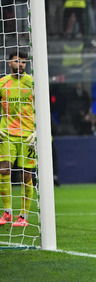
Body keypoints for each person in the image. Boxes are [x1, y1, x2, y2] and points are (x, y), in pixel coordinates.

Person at [0, 49, 36, 227]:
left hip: (28, 136)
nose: (20, 64)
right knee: (3, 170)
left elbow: (42, 108)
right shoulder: (2, 83)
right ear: (9, 63)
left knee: (26, 175)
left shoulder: (32, 83)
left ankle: (23, 216)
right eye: (17, 61)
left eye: (23, 62)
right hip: (7, 134)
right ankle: (7, 212)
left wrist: (38, 131)